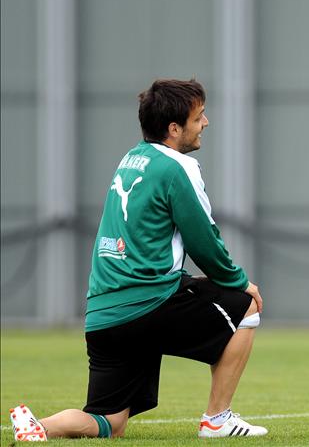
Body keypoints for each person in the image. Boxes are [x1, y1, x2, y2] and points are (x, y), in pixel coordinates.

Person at [10, 79, 267, 441]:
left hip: (103, 316)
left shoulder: (131, 159)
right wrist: (240, 281)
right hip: (148, 305)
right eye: (199, 117)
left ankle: (38, 427)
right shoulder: (178, 167)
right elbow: (204, 243)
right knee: (246, 308)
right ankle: (216, 420)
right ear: (174, 128)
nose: (206, 123)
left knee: (109, 422)